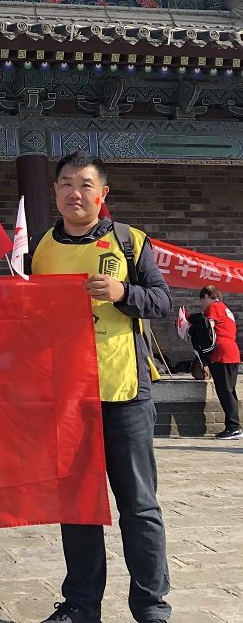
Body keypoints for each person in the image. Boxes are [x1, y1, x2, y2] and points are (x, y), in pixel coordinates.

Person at [29, 150, 172, 623]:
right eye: (66, 183)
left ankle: (151, 608)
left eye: (85, 184)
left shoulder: (130, 242)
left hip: (124, 392)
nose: (75, 192)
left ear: (102, 193)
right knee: (78, 507)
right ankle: (81, 605)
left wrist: (123, 292)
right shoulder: (39, 248)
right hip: (66, 396)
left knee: (139, 506)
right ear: (55, 192)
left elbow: (162, 300)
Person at [196, 285, 241, 439]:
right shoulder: (225, 308)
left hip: (221, 354)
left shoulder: (213, 308)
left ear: (206, 296)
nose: (202, 303)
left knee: (225, 392)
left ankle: (233, 427)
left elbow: (208, 329)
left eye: (202, 300)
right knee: (230, 391)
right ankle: (233, 426)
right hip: (232, 352)